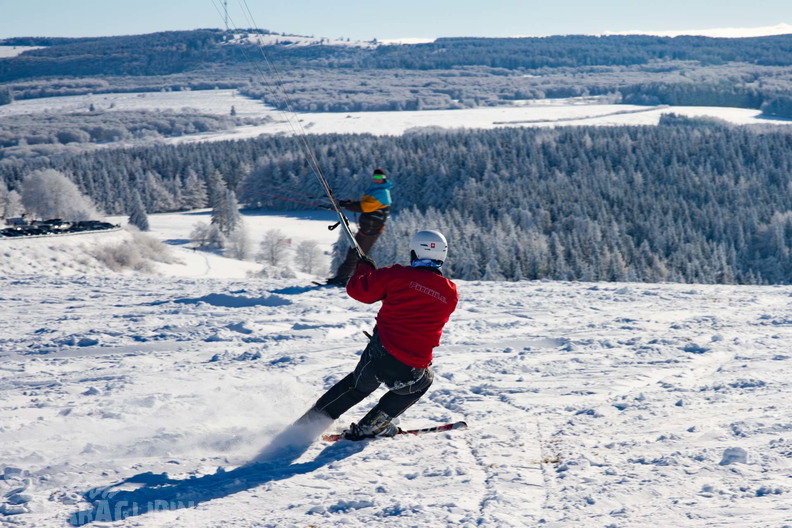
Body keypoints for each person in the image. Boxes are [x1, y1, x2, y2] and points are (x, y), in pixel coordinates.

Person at [301, 230, 458, 440]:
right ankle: (373, 424)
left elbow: (359, 290)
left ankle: (308, 425)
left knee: (356, 387)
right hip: (412, 367)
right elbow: (421, 304)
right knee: (423, 382)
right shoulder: (450, 292)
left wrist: (364, 270)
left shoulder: (396, 275)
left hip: (381, 355)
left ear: (413, 253)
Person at [326, 169, 393, 286]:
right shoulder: (375, 190)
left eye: (379, 178)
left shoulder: (382, 192)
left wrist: (346, 205)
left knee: (356, 255)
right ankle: (346, 279)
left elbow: (365, 207)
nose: (376, 180)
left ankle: (347, 280)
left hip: (371, 230)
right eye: (375, 178)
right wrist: (348, 203)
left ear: (384, 178)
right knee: (355, 254)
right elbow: (364, 203)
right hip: (368, 228)